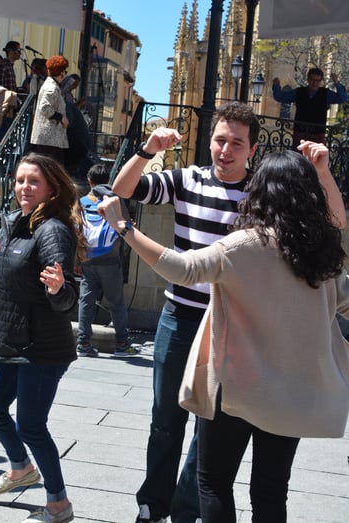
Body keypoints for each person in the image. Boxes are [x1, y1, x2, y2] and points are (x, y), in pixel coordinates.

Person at [111, 101, 346, 523]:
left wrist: (126, 230)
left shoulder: (263, 199)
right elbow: (124, 189)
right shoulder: (187, 180)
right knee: (168, 422)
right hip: (184, 319)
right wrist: (147, 151)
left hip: (234, 332)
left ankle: (186, 511)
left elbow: (333, 223)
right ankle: (154, 504)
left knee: (211, 442)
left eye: (237, 142)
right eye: (220, 139)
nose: (225, 149)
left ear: (252, 150)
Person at [0, 153, 82, 523]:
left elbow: (68, 293)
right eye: (19, 180)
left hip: (41, 348)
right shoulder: (13, 224)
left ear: (51, 187)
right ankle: (21, 468)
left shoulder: (51, 229)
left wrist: (58, 290)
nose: (23, 187)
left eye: (33, 181)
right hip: (12, 343)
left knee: (31, 426)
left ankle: (58, 503)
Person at [76, 164, 139, 358]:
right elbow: (125, 227)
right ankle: (122, 343)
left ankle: (83, 343)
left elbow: (76, 230)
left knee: (86, 301)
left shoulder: (82, 202)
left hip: (87, 259)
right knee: (116, 303)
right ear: (108, 179)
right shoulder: (114, 201)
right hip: (110, 260)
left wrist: (77, 259)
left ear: (89, 181)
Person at [272, 67, 348, 146]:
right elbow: (280, 97)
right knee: (299, 157)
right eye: (312, 80)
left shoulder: (326, 94)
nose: (314, 83)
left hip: (318, 135)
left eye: (317, 81)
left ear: (321, 81)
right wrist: (276, 85)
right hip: (300, 134)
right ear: (308, 79)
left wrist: (337, 83)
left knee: (316, 158)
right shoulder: (299, 92)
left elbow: (343, 98)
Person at [29, 56, 69, 164]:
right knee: (51, 171)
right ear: (61, 73)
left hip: (50, 139)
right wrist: (61, 118)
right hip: (49, 139)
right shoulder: (52, 87)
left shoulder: (50, 84)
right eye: (65, 71)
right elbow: (44, 107)